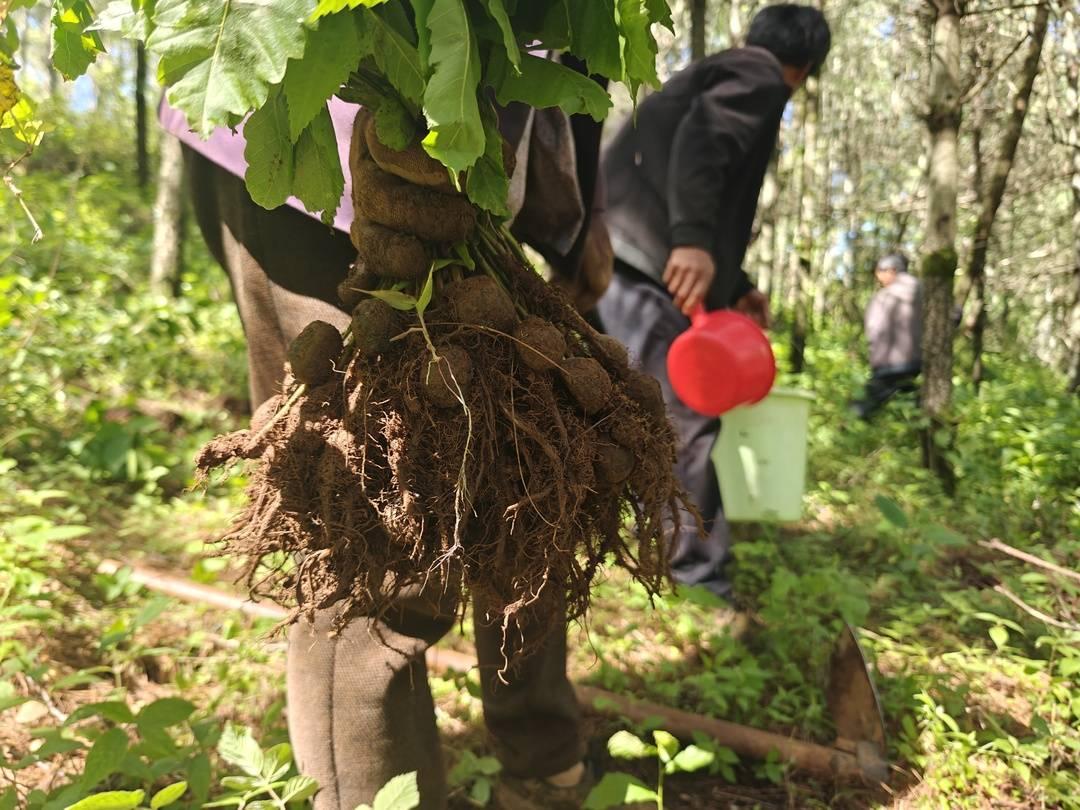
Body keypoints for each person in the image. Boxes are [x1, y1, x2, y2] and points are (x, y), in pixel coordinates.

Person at [162, 69, 611, 809]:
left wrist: (580, 211)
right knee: (370, 526)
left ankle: (544, 760)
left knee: (528, 462)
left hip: (477, 163)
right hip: (306, 129)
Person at [597, 4, 831, 598]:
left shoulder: (720, 71)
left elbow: (696, 173)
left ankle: (627, 546)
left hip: (623, 252)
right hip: (644, 262)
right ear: (802, 65)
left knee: (628, 408)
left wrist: (739, 282)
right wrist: (693, 243)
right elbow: (702, 148)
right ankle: (697, 579)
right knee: (684, 416)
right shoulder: (758, 77)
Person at [852, 253, 922, 419]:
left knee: (862, 407)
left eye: (880, 274)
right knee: (915, 405)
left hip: (888, 364)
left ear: (891, 271)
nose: (879, 279)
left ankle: (849, 431)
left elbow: (873, 329)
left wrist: (874, 357)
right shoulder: (926, 289)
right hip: (920, 362)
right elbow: (953, 314)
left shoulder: (882, 297)